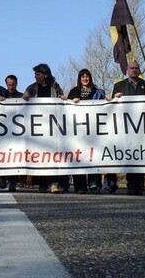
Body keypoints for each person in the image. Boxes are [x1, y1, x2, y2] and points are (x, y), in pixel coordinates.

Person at [112, 61, 145, 195]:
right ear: (127, 71)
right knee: (130, 156)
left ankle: (139, 185)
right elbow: (113, 105)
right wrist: (115, 98)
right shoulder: (119, 86)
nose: (134, 70)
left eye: (136, 68)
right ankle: (131, 185)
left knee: (140, 155)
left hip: (143, 126)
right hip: (125, 126)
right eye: (132, 68)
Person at [23, 63, 66, 193]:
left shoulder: (55, 87)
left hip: (53, 126)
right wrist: (25, 98)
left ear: (45, 75)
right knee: (40, 154)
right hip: (37, 127)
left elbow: (62, 98)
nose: (35, 76)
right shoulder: (31, 88)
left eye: (38, 74)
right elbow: (24, 98)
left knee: (53, 154)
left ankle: (54, 183)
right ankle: (42, 184)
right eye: (35, 74)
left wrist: (63, 98)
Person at [67, 68, 105, 193]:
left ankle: (94, 184)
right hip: (78, 131)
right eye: (82, 76)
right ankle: (80, 186)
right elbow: (67, 108)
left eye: (87, 76)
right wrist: (72, 102)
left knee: (94, 156)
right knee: (79, 158)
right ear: (79, 78)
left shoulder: (98, 92)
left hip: (94, 130)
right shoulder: (74, 91)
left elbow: (105, 107)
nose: (85, 78)